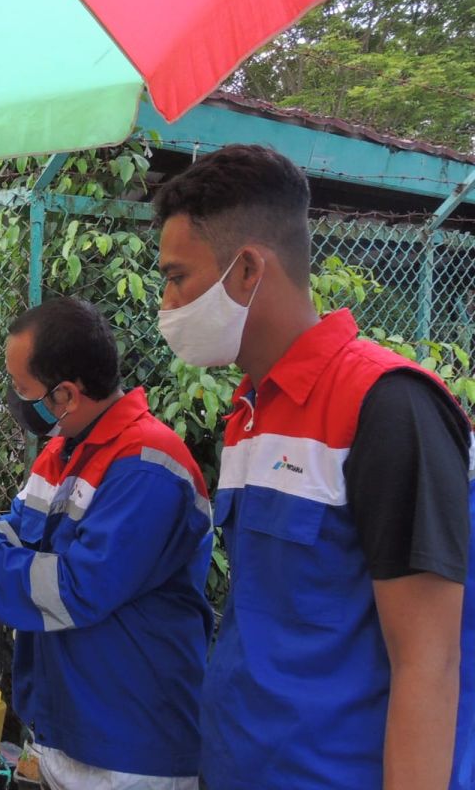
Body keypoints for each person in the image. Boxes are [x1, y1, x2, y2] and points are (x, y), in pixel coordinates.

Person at [153, 144, 475, 790]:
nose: (166, 303)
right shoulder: (250, 411)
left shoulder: (386, 408)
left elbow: (430, 663)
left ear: (247, 271)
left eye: (178, 277)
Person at [0, 297, 213, 788]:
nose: (16, 400)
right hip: (71, 719)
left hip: (131, 739)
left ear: (65, 395)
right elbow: (18, 531)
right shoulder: (66, 451)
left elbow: (76, 589)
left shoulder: (147, 468)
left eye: (22, 389)